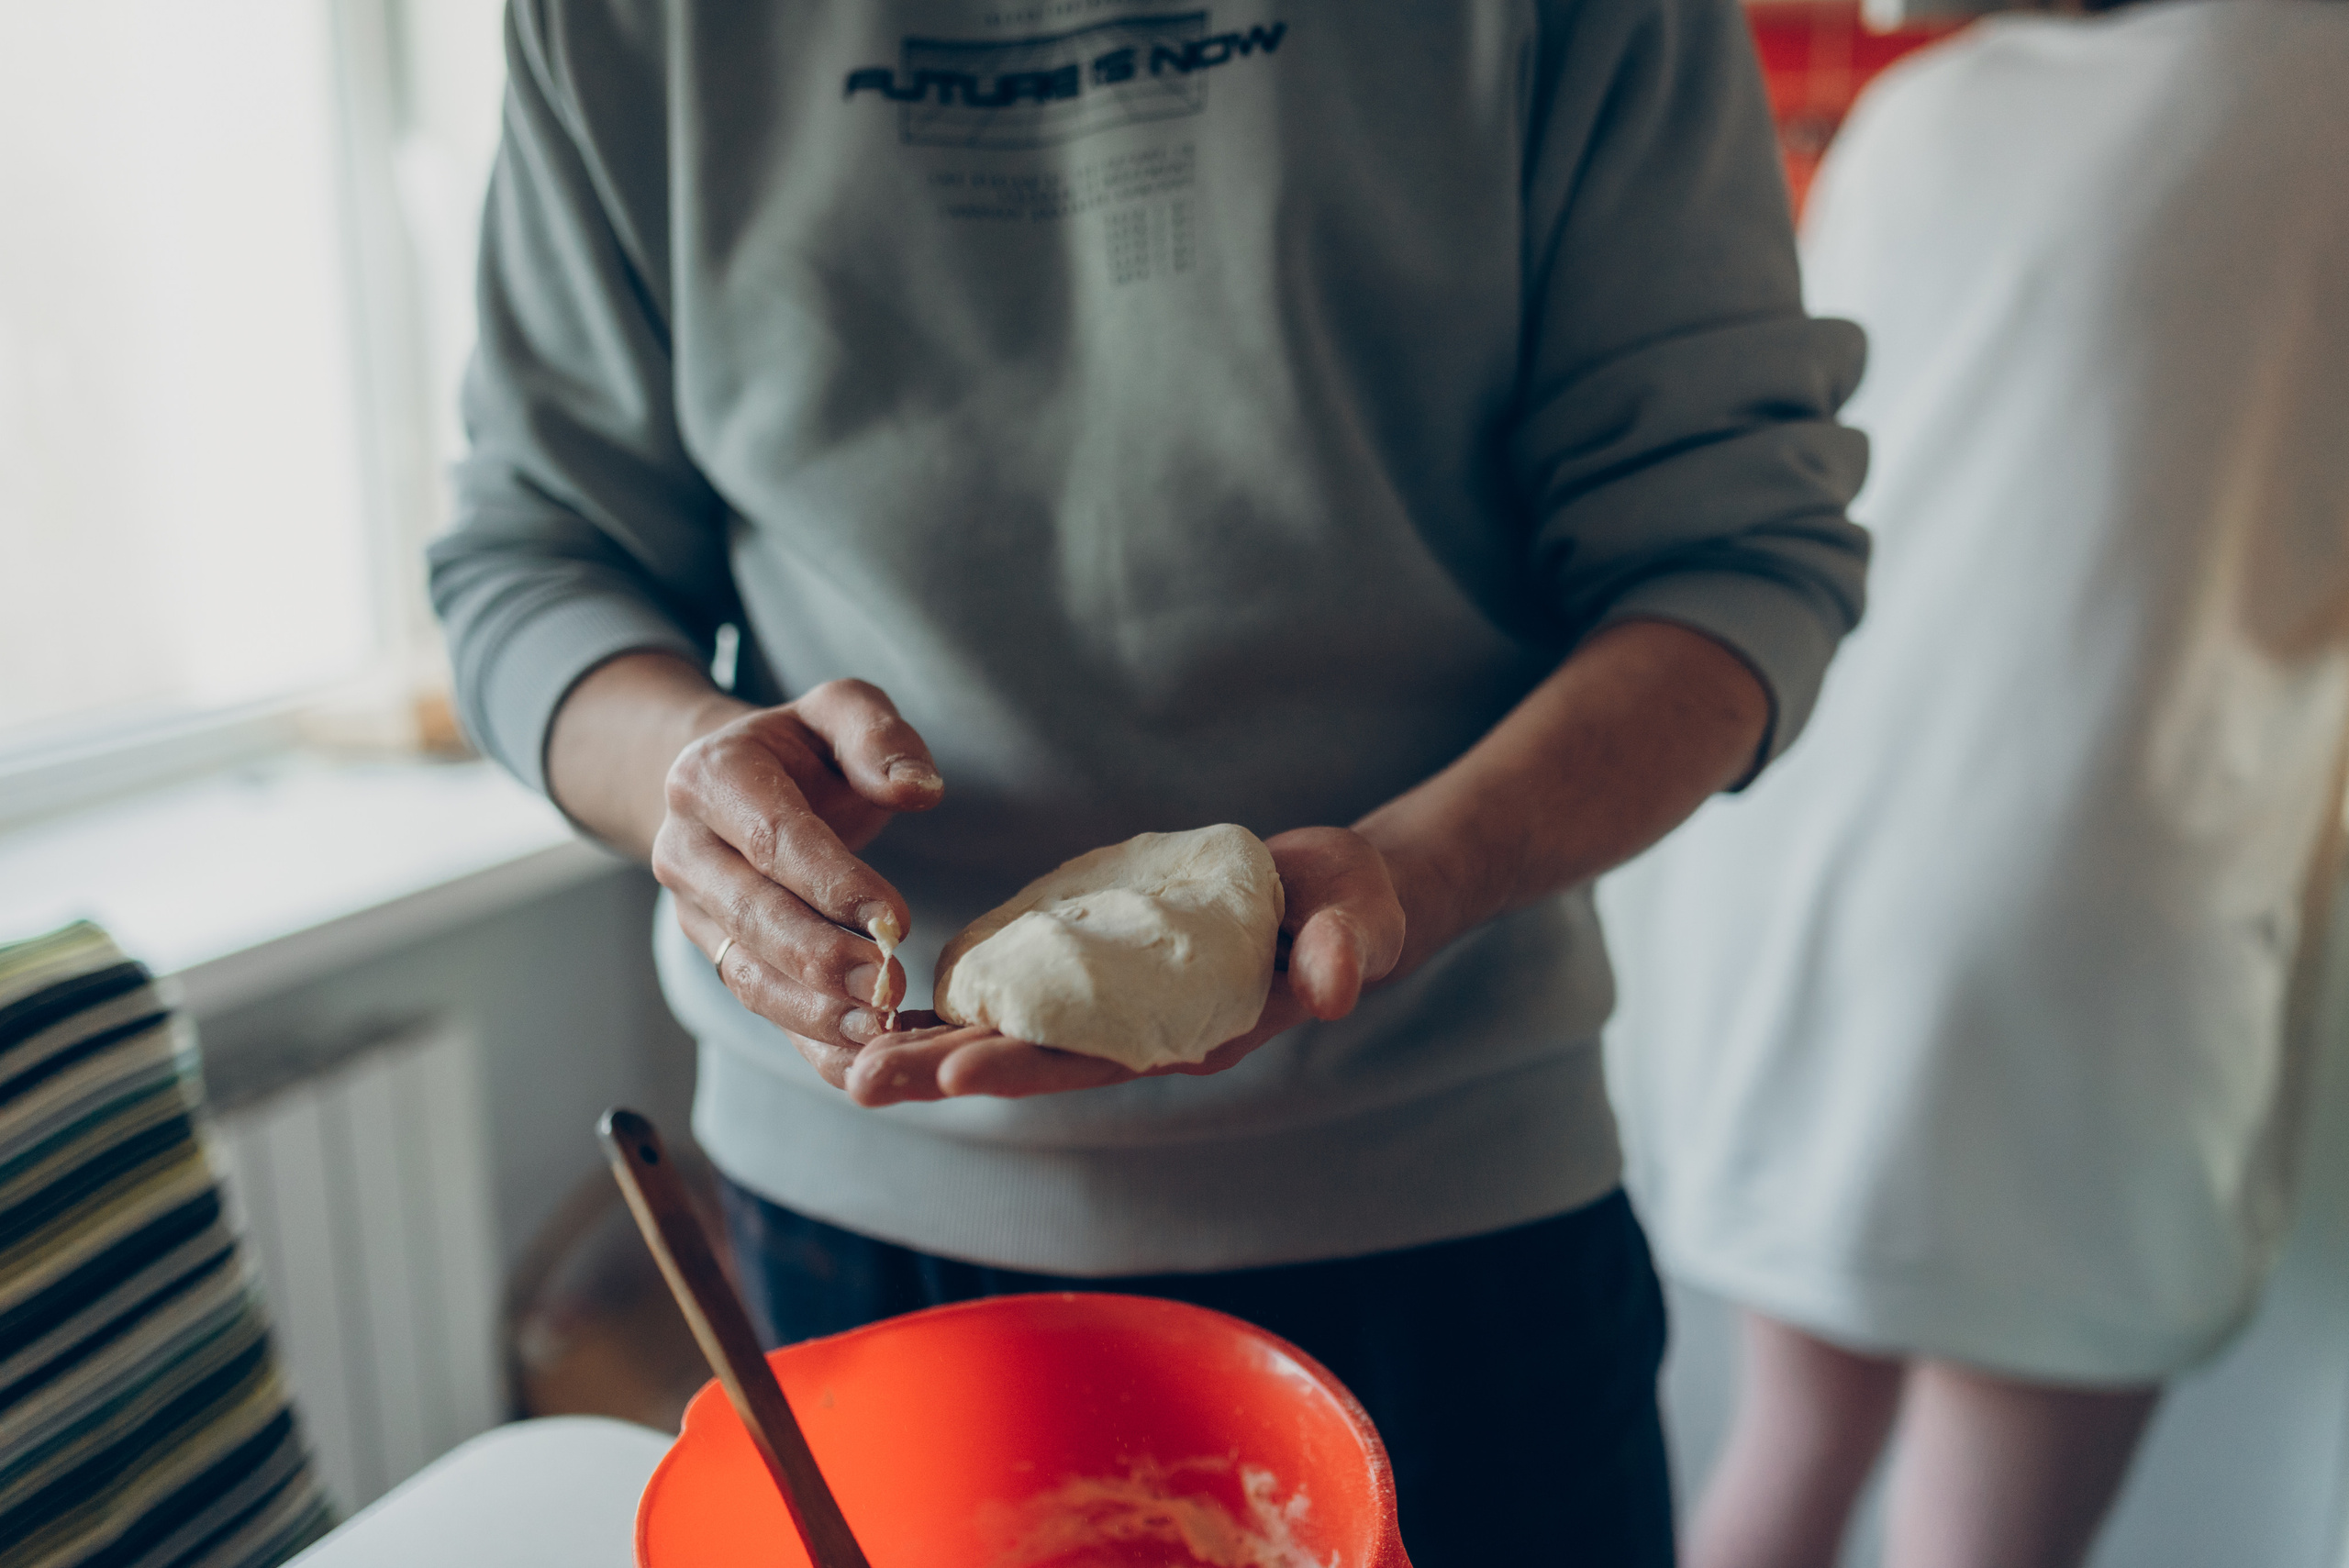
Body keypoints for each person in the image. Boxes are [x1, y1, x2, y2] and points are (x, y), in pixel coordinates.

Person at [429, 0, 1870, 1558]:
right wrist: (688, 776)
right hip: (861, 1211)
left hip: (1444, 1201)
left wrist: (1423, 867)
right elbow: (533, 560)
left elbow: (1732, 557)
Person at [1601, 2, 2349, 1564]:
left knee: (1789, 1448)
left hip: (1795, 852)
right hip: (2084, 905)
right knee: (1980, 1535)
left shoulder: (1935, 101)